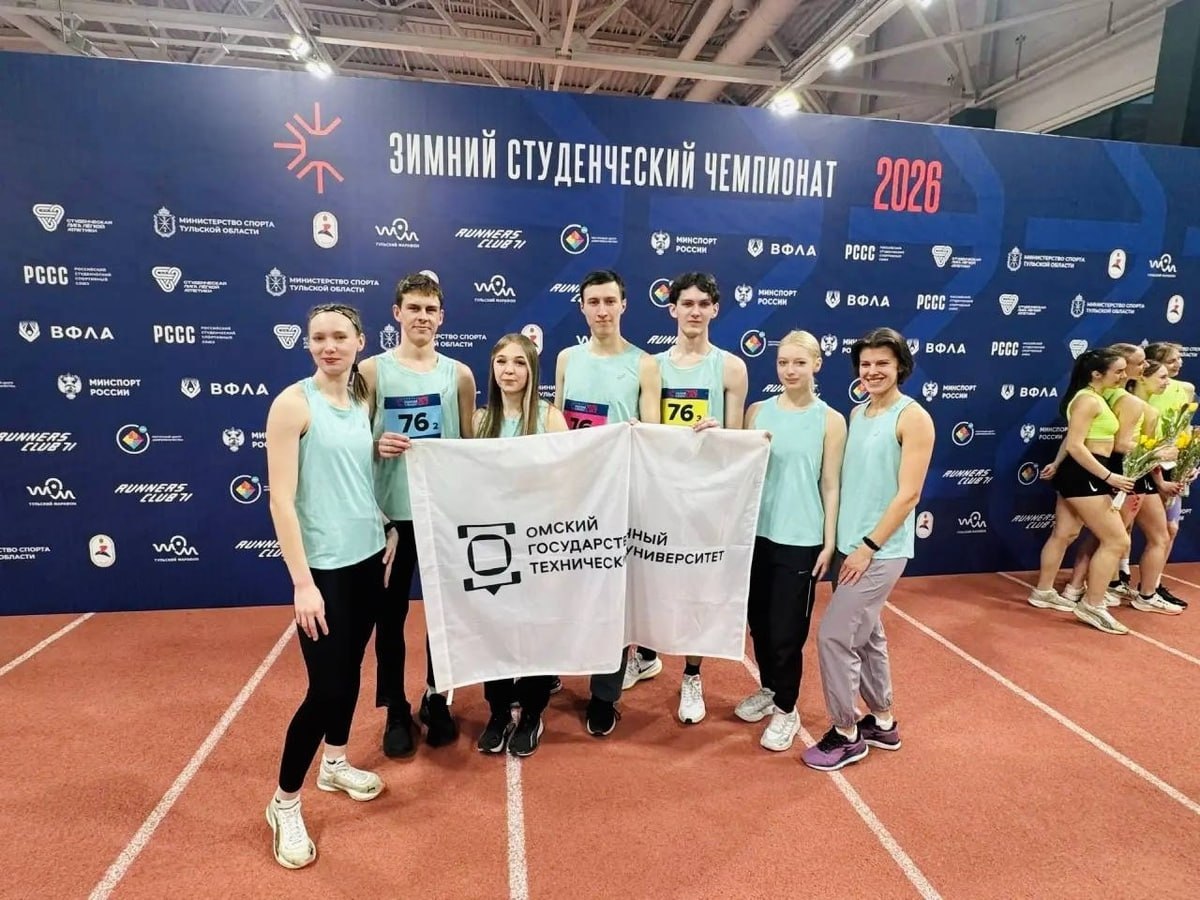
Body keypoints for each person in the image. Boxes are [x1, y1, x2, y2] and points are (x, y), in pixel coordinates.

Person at [263, 303, 396, 869]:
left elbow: (352, 475)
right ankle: (283, 803)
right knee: (327, 690)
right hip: (323, 572)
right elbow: (281, 501)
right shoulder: (293, 404)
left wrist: (385, 524)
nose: (329, 346)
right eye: (318, 337)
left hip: (368, 558)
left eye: (339, 336)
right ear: (308, 344)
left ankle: (334, 763)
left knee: (353, 668)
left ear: (360, 341)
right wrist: (303, 583)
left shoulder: (362, 398)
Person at [801, 327, 933, 772]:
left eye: (883, 364)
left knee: (834, 636)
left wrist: (869, 547)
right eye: (866, 364)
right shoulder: (858, 412)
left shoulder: (913, 417)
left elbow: (909, 494)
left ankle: (846, 734)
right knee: (870, 634)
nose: (873, 371)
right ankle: (883, 721)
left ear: (900, 367)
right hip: (849, 545)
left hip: (879, 551)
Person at [621, 272, 748, 725]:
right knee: (648, 576)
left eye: (703, 304)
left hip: (706, 496)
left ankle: (692, 675)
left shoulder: (731, 368)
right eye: (687, 304)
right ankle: (644, 655)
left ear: (715, 309)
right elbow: (651, 431)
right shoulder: (652, 366)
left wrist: (718, 434)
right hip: (660, 491)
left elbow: (736, 441)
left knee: (698, 585)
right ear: (672, 308)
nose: (695, 311)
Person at [359, 273, 477, 757]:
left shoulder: (459, 375)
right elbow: (351, 443)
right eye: (413, 308)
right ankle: (395, 708)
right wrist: (375, 445)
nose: (422, 317)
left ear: (441, 317)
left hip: (441, 515)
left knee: (443, 616)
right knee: (389, 618)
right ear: (397, 313)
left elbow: (469, 447)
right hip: (390, 518)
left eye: (430, 310)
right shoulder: (371, 371)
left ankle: (436, 696)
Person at [554, 269, 660, 736]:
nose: (602, 310)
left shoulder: (644, 364)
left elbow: (654, 435)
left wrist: (640, 432)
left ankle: (604, 694)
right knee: (565, 586)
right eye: (593, 302)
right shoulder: (566, 358)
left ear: (623, 305)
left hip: (620, 495)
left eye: (609, 301)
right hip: (573, 492)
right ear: (582, 307)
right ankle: (554, 667)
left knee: (614, 598)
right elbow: (557, 425)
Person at [737, 330, 845, 751]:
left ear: (817, 364)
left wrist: (828, 542)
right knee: (760, 625)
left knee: (786, 631)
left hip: (800, 540)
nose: (790, 370)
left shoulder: (830, 420)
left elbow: (830, 484)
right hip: (756, 536)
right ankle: (770, 689)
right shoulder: (757, 411)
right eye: (783, 362)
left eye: (799, 362)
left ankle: (787, 707)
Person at [471, 333, 569, 757]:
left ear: (532, 370)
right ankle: (497, 712)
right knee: (494, 628)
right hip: (491, 545)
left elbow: (566, 484)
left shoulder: (549, 418)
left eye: (518, 363)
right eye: (501, 362)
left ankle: (531, 713)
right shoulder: (479, 421)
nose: (509, 370)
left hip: (536, 542)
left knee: (536, 629)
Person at [1051, 349, 1180, 614]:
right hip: (1115, 473)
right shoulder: (1113, 400)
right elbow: (1105, 444)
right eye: (1139, 364)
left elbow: (1080, 438)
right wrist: (1156, 454)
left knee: (1111, 537)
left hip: (1115, 473)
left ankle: (1090, 591)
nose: (1142, 367)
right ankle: (1093, 595)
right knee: (1116, 538)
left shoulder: (1104, 396)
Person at [1025, 348, 1135, 634]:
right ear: (1096, 374)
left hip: (1080, 472)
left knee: (1065, 534)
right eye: (1118, 371)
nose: (1124, 376)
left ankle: (1043, 591)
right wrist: (1109, 476)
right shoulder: (1088, 400)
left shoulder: (1094, 397)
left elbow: (1071, 439)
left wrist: (1056, 463)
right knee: (1116, 540)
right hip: (1086, 475)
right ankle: (1093, 605)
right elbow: (1076, 444)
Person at [1144, 341, 1197, 609]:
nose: (1179, 364)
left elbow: (1184, 429)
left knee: (1171, 528)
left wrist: (1188, 462)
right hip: (1144, 461)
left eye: (1179, 359)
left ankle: (1154, 584)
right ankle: (1119, 578)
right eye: (1172, 360)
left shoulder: (1186, 389)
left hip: (1173, 463)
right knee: (1123, 530)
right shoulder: (1142, 390)